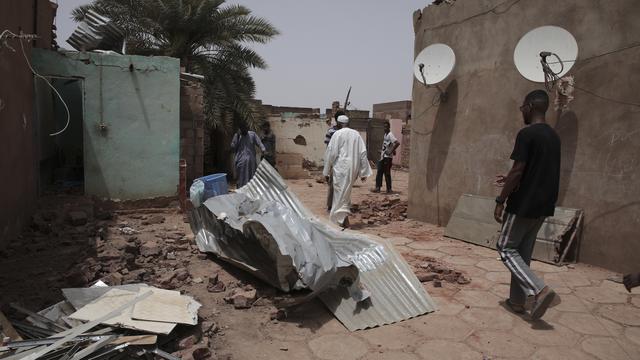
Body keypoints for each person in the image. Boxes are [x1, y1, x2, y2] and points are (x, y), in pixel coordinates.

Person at [494, 89, 561, 320]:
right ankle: (517, 301)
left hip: (523, 204)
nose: (521, 110)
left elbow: (519, 170)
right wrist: (511, 176)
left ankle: (540, 290)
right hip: (543, 205)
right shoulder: (554, 136)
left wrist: (500, 200)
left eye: (523, 105)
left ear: (531, 105)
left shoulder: (527, 134)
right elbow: (538, 170)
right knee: (522, 253)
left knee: (505, 248)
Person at [323, 115, 372, 228]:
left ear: (339, 124)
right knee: (345, 194)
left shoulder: (337, 134)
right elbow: (363, 153)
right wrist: (363, 172)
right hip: (353, 169)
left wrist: (326, 171)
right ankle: (344, 220)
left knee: (339, 195)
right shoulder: (356, 134)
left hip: (341, 168)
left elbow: (331, 153)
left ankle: (338, 221)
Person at [230, 123, 265, 188]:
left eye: (245, 129)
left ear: (247, 128)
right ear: (240, 129)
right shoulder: (237, 136)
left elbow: (259, 143)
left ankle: (251, 191)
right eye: (242, 130)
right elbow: (233, 148)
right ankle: (241, 191)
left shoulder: (252, 134)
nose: (244, 131)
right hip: (241, 162)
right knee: (241, 178)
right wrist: (237, 137)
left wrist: (263, 149)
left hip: (251, 162)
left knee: (251, 178)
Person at [324, 110, 345, 212]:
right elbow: (328, 147)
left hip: (344, 162)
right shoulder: (331, 131)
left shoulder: (346, 132)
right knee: (333, 183)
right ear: (337, 120)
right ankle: (330, 205)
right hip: (334, 161)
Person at [372, 121, 400, 193]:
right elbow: (389, 145)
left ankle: (389, 189)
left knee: (387, 173)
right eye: (384, 127)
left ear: (389, 127)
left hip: (388, 157)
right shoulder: (385, 134)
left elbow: (397, 143)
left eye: (386, 127)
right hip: (383, 156)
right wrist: (383, 151)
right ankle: (378, 187)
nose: (385, 128)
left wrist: (391, 151)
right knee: (379, 171)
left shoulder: (390, 134)